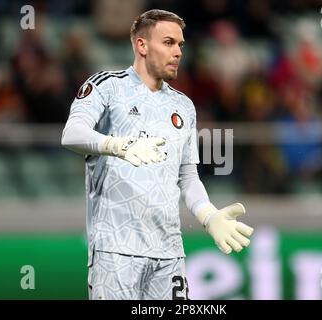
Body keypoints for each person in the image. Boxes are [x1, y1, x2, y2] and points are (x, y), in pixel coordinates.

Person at [61, 9, 254, 300]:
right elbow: (72, 134)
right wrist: (118, 146)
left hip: (169, 252)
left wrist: (209, 216)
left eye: (180, 45)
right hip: (116, 250)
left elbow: (188, 178)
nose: (177, 52)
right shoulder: (107, 86)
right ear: (142, 45)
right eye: (168, 42)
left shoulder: (183, 106)